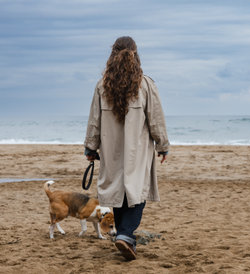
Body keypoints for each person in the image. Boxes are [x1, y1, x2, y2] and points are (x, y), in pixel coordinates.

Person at [84, 36, 169, 261]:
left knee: (118, 191)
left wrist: (90, 148)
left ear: (113, 54)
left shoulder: (103, 85)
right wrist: (163, 145)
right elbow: (156, 118)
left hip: (111, 150)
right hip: (138, 150)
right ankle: (125, 234)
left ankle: (125, 236)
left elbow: (94, 120)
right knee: (137, 190)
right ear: (136, 54)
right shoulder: (146, 84)